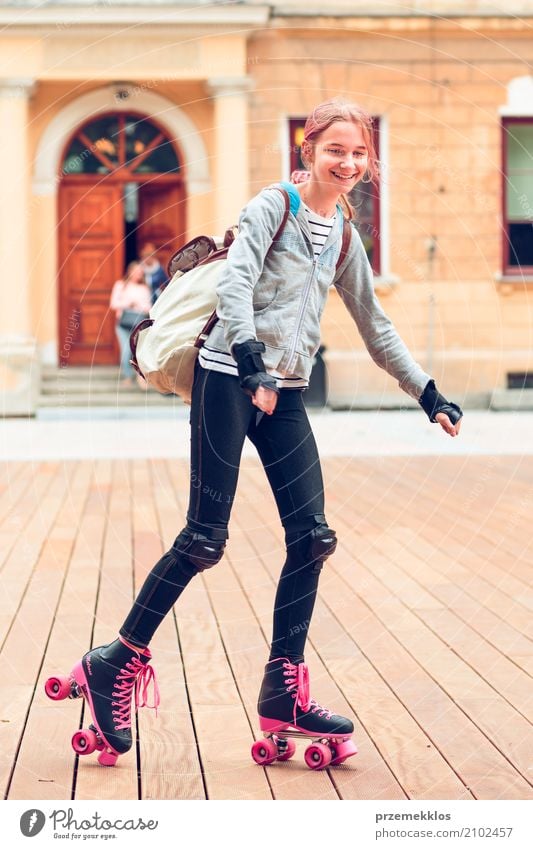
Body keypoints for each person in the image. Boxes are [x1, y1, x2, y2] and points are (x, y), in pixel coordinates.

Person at [46, 98, 462, 768]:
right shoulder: (274, 205)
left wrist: (426, 391)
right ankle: (113, 660)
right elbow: (236, 284)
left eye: (359, 153)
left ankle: (282, 690)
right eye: (336, 150)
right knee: (204, 536)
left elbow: (374, 323)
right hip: (228, 376)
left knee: (313, 536)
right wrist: (248, 359)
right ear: (308, 149)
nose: (348, 163)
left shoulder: (345, 237)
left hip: (285, 390)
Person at [110, 261, 152, 388]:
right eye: (136, 271)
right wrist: (129, 303)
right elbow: (114, 304)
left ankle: (141, 378)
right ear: (130, 271)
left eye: (140, 272)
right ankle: (127, 376)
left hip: (138, 324)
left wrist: (139, 305)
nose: (138, 274)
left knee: (139, 352)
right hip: (123, 324)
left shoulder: (145, 288)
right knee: (126, 351)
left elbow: (149, 307)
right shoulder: (120, 285)